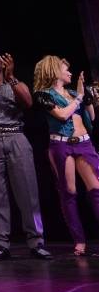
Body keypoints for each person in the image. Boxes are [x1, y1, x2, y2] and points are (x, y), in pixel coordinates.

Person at [0, 52, 52, 260]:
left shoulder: (14, 84)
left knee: (28, 190)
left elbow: (28, 102)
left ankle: (36, 241)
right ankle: (1, 243)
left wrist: (12, 76)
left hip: (16, 137)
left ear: (3, 63)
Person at [33, 56, 99, 256]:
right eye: (66, 69)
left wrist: (87, 98)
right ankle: (79, 241)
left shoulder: (73, 92)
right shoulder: (43, 94)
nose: (70, 73)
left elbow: (92, 118)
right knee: (69, 192)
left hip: (84, 143)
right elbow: (61, 115)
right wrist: (79, 98)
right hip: (61, 145)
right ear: (54, 71)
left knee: (96, 188)